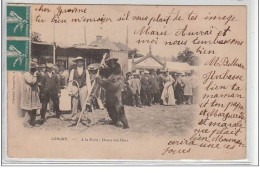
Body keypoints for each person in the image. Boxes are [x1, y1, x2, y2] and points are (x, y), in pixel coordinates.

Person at [98, 57, 130, 129]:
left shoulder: (117, 69)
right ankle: (114, 120)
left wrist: (100, 80)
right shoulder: (109, 68)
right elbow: (103, 73)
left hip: (116, 91)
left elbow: (110, 80)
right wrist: (100, 69)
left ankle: (125, 123)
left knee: (118, 107)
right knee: (109, 106)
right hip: (109, 91)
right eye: (109, 62)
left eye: (112, 62)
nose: (111, 63)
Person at [20, 62, 41, 127]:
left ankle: (32, 122)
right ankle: (26, 122)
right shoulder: (26, 74)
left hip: (33, 93)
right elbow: (31, 81)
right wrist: (35, 75)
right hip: (28, 93)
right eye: (35, 68)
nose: (36, 70)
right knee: (29, 108)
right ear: (32, 68)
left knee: (34, 107)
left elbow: (34, 82)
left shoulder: (32, 74)